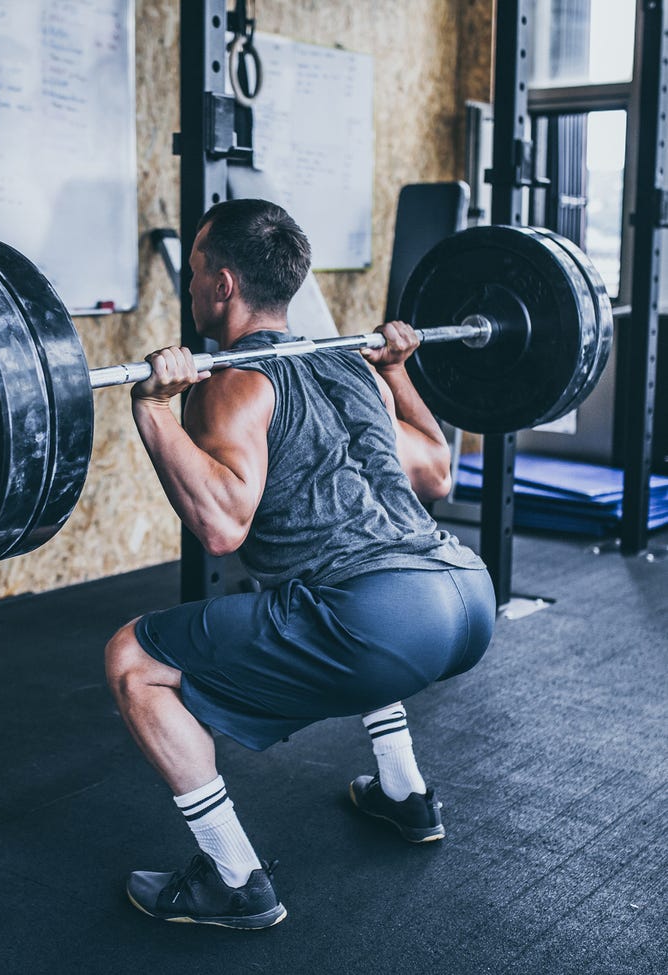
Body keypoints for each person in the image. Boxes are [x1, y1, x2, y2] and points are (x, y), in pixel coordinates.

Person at [104, 198, 496, 930]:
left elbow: (222, 525)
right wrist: (400, 371)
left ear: (222, 285)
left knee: (133, 658)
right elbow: (438, 472)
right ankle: (405, 793)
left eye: (192, 273)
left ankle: (234, 877)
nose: (189, 289)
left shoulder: (232, 382)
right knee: (335, 608)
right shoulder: (352, 366)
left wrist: (154, 409)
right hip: (467, 595)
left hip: (379, 613)